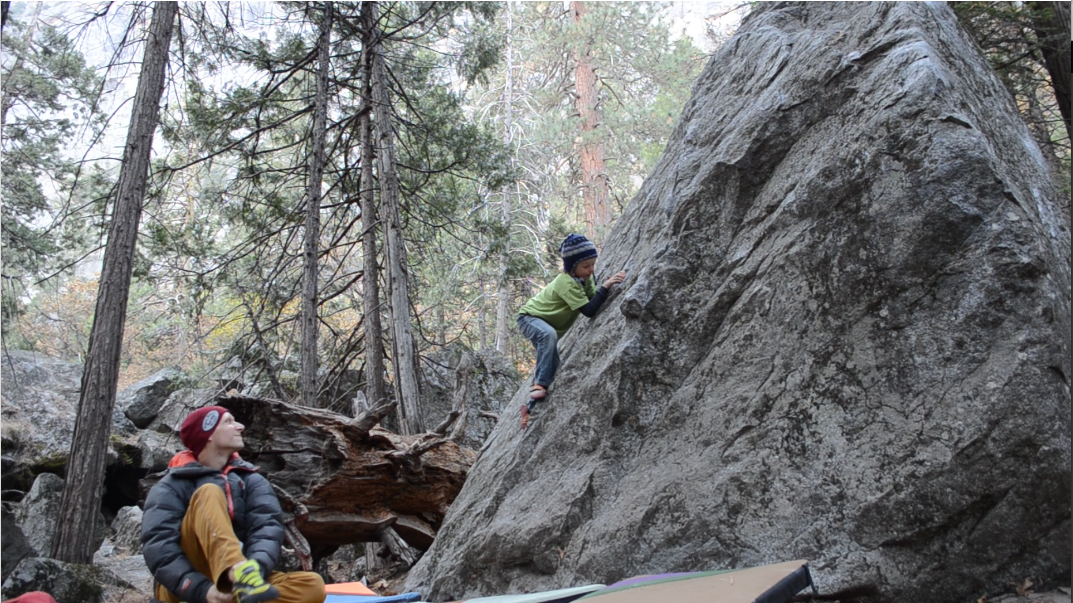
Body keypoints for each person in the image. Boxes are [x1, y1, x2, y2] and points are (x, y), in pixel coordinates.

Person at [142, 406, 326, 603]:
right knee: (209, 491)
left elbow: (267, 530)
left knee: (313, 586)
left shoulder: (252, 481)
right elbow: (160, 547)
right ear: (208, 434)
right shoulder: (171, 485)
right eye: (229, 422)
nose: (240, 426)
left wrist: (257, 566)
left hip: (240, 586)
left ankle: (243, 581)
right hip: (188, 586)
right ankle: (239, 577)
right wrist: (202, 590)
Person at [516, 233, 626, 427]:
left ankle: (529, 408)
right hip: (530, 318)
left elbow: (593, 298)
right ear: (572, 266)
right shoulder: (565, 283)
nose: (591, 270)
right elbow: (589, 310)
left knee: (553, 367)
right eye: (585, 266)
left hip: (544, 324)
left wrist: (604, 288)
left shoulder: (585, 279)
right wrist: (607, 286)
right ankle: (539, 384)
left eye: (593, 264)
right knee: (548, 335)